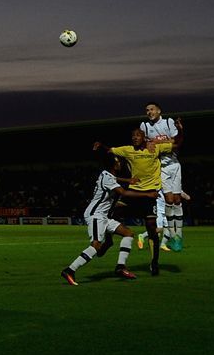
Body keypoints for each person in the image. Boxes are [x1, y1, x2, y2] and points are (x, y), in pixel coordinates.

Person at [62, 154, 139, 285]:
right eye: (117, 162)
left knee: (128, 233)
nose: (119, 163)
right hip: (96, 215)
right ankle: (70, 270)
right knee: (96, 245)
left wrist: (128, 180)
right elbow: (124, 193)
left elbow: (116, 179)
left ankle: (120, 267)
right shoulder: (108, 178)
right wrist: (148, 194)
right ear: (113, 165)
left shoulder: (107, 175)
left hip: (104, 216)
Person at [106, 130, 164, 276]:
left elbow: (176, 144)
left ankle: (154, 262)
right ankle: (108, 241)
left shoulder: (155, 148)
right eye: (132, 136)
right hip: (133, 191)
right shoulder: (128, 150)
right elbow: (109, 150)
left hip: (150, 193)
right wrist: (100, 146)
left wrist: (179, 131)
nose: (134, 138)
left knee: (151, 227)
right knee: (112, 215)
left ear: (144, 137)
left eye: (137, 135)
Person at [140, 103, 185, 251]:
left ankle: (179, 235)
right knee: (169, 200)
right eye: (147, 110)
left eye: (152, 109)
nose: (149, 112)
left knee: (177, 200)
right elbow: (143, 144)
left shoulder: (168, 122)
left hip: (174, 164)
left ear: (159, 111)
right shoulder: (145, 126)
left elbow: (175, 142)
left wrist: (156, 141)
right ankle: (173, 235)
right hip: (161, 167)